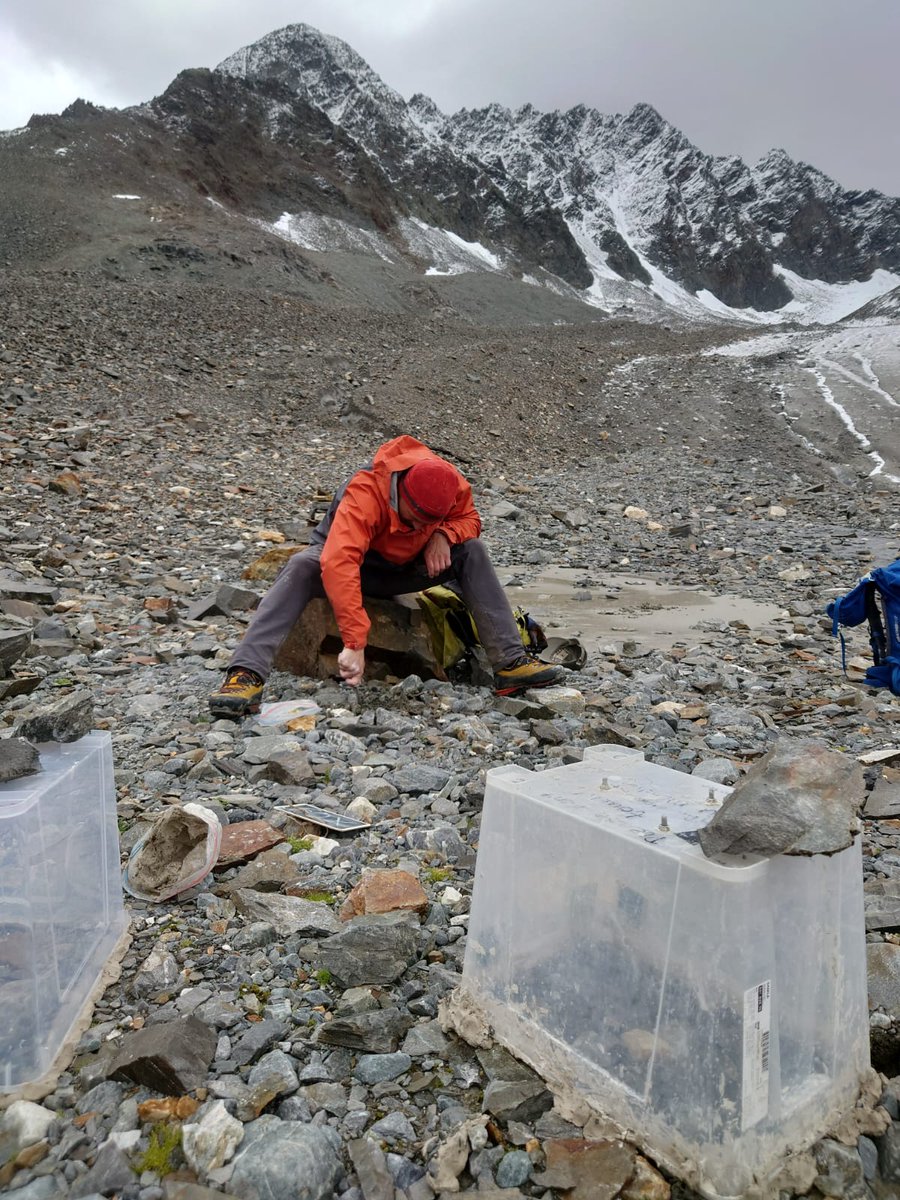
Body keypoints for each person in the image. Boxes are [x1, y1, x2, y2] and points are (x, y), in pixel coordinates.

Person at [209, 435, 564, 717]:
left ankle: (510, 663)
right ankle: (246, 675)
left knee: (473, 551)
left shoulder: (448, 482)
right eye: (415, 520)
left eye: (431, 520)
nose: (421, 526)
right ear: (398, 494)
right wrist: (355, 641)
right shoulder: (365, 491)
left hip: (407, 569)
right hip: (360, 568)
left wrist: (443, 535)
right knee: (303, 565)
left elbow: (470, 519)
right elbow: (339, 561)